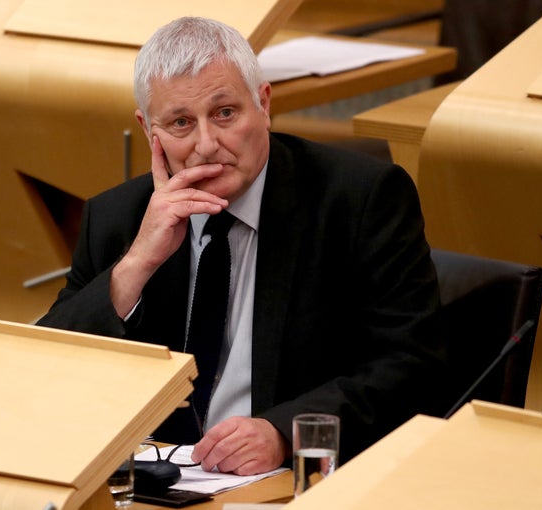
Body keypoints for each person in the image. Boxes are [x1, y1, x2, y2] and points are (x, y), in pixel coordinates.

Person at [37, 16, 444, 476]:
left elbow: (413, 365)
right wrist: (134, 267)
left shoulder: (358, 200)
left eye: (225, 113)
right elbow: (46, 367)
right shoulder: (118, 219)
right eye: (180, 123)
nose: (207, 144)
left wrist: (283, 433)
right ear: (149, 130)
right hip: (151, 484)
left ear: (263, 104)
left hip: (292, 484)